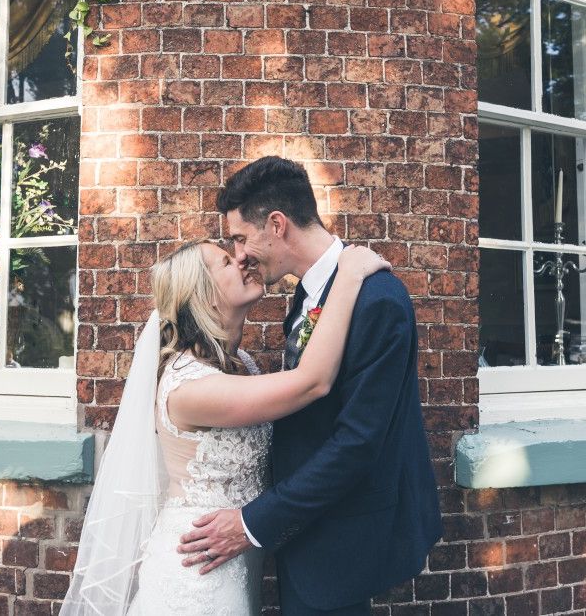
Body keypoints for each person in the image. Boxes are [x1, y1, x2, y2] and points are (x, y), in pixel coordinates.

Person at [60, 237, 390, 615]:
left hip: (236, 560)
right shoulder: (190, 389)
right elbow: (313, 382)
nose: (244, 261)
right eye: (227, 262)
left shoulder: (243, 364)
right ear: (203, 294)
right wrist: (347, 276)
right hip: (197, 570)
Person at [178, 156, 443, 615]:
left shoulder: (377, 300)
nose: (239, 255)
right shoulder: (309, 293)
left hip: (340, 541)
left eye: (241, 238)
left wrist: (254, 523)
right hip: (302, 530)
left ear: (277, 225)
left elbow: (358, 442)